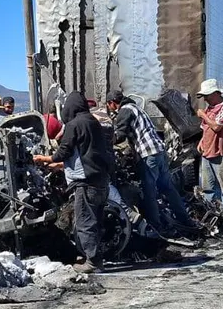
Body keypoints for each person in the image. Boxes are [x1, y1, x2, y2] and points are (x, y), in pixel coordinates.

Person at [33, 92, 113, 273]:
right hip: (101, 180)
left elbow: (64, 151)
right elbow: (86, 153)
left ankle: (93, 263)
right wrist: (59, 165)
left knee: (84, 222)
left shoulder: (74, 124)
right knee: (96, 222)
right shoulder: (93, 122)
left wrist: (45, 159)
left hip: (85, 182)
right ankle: (94, 257)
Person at [106, 90, 195, 235]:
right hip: (159, 150)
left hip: (148, 154)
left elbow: (120, 135)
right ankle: (185, 220)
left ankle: (156, 227)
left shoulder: (124, 110)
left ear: (112, 103)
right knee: (168, 188)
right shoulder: (136, 108)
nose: (109, 108)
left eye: (108, 105)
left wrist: (105, 142)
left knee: (149, 193)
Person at [195, 79, 223, 217]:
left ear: (215, 93)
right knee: (207, 186)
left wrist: (203, 115)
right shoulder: (209, 108)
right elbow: (205, 128)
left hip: (221, 151)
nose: (205, 99)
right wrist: (202, 141)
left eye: (207, 95)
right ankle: (211, 212)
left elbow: (217, 126)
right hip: (207, 150)